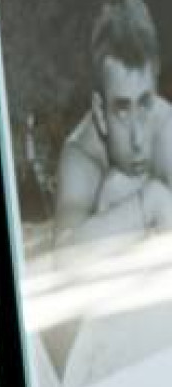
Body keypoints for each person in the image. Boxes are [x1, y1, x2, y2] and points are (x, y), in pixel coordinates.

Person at [53, 0, 172, 268]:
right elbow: (62, 259)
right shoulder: (81, 155)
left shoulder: (167, 131)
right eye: (122, 110)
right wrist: (147, 203)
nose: (138, 139)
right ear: (99, 111)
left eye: (145, 104)